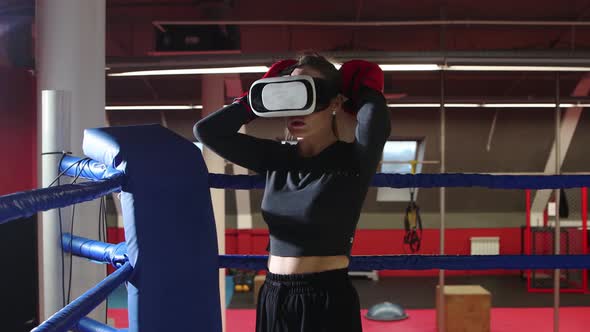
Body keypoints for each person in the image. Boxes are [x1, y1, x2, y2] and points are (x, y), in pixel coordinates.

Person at [194, 54, 391, 332]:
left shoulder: (352, 160)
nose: (299, 111)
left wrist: (361, 88)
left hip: (326, 299)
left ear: (335, 102)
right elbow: (207, 131)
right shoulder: (277, 157)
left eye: (312, 95)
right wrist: (256, 98)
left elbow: (376, 123)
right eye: (291, 96)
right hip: (274, 294)